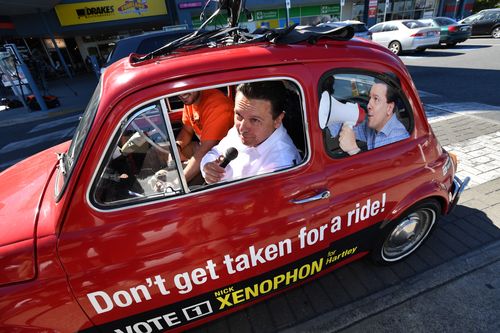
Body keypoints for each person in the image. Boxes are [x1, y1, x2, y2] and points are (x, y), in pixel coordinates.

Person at [201, 81, 301, 184]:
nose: (242, 128)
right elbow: (215, 152)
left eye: (255, 120)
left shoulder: (281, 165)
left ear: (278, 120)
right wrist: (208, 167)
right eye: (239, 115)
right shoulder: (244, 129)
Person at [329, 81, 409, 155]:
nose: (368, 105)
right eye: (370, 98)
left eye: (376, 99)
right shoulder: (373, 126)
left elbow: (381, 170)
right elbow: (339, 124)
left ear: (389, 108)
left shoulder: (398, 139)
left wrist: (353, 150)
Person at [176, 89, 234, 183]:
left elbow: (206, 149)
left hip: (219, 159)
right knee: (157, 154)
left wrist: (178, 182)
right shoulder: (191, 100)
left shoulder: (217, 105)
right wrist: (177, 147)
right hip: (202, 148)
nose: (181, 93)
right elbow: (187, 130)